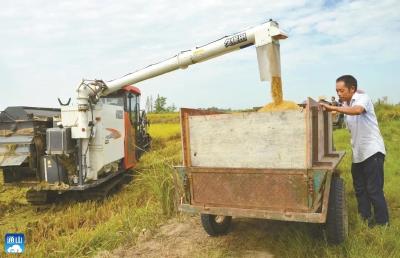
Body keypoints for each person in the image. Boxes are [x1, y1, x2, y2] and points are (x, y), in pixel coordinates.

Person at [319, 75, 389, 227]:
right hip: (359, 155)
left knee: (374, 190)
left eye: (342, 90)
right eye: (337, 91)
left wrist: (334, 108)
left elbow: (357, 111)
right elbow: (336, 104)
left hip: (372, 152)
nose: (339, 94)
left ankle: (383, 223)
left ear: (352, 89)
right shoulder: (346, 102)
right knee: (360, 188)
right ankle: (364, 218)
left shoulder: (362, 98)